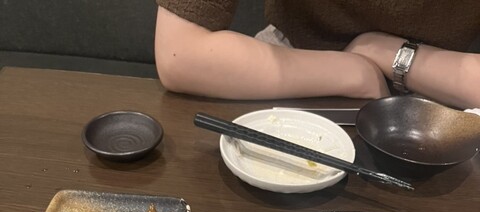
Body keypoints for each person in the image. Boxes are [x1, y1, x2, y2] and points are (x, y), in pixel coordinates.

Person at [154, 0, 480, 108]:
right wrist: (354, 71)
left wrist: (391, 55)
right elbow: (180, 53)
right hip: (294, 58)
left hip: (448, 86)